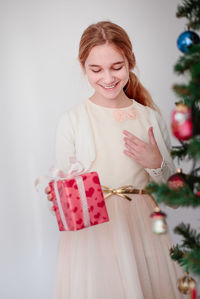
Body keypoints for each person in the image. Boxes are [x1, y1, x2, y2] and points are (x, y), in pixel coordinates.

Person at [45, 21, 187, 299]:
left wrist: (155, 162)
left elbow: (173, 195)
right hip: (95, 235)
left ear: (130, 62)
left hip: (143, 230)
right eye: (96, 69)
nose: (108, 78)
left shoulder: (148, 117)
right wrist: (60, 198)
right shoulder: (72, 120)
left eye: (117, 67)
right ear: (83, 67)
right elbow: (64, 199)